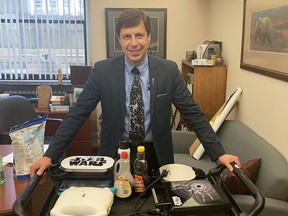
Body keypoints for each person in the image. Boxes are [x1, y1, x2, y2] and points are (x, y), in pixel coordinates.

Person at [30, 8, 240, 177]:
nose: (134, 43)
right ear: (119, 40)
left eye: (139, 35)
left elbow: (194, 114)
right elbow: (77, 114)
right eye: (127, 36)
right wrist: (50, 155)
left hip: (156, 155)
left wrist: (219, 153)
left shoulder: (168, 70)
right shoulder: (103, 71)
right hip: (115, 153)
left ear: (149, 37)